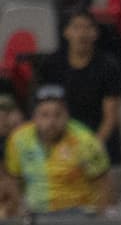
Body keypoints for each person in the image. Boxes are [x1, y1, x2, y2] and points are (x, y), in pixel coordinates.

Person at [1, 85, 111, 217]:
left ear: (67, 115)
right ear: (34, 117)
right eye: (44, 115)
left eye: (58, 115)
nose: (51, 122)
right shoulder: (18, 140)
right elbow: (13, 179)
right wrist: (17, 209)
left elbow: (103, 184)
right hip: (35, 213)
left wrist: (99, 219)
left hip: (78, 214)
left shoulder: (86, 141)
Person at [37, 9, 121, 164]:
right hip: (60, 135)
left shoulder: (108, 66)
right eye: (76, 27)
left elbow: (111, 117)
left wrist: (92, 147)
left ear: (95, 33)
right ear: (66, 32)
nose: (82, 33)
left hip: (98, 137)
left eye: (87, 28)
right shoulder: (51, 65)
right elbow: (43, 108)